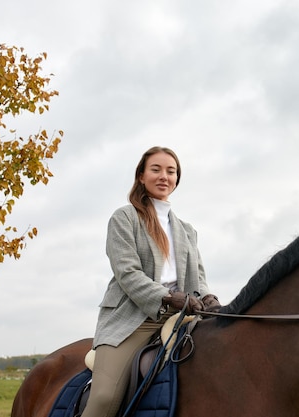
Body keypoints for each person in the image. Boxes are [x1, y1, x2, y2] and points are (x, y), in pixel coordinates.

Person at [81, 146, 220, 417]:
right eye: (156, 169)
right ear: (141, 176)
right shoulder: (124, 218)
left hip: (183, 316)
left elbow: (198, 278)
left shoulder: (188, 230)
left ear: (177, 180)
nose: (164, 176)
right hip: (132, 318)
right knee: (104, 398)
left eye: (171, 171)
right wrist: (167, 297)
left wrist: (207, 297)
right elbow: (128, 273)